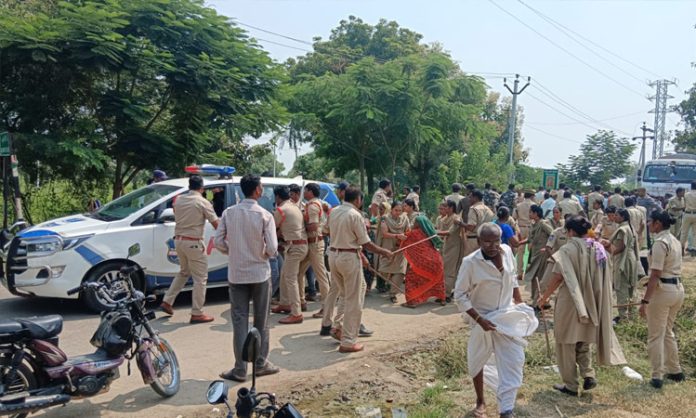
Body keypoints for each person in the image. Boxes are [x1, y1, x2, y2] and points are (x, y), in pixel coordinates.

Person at [538, 216, 626, 397]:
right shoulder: (598, 248)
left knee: (566, 342)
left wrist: (544, 298)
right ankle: (588, 373)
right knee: (583, 340)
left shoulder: (567, 249)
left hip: (570, 302)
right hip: (592, 300)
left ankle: (570, 384)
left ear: (570, 232)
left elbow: (558, 277)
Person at [454, 223, 533, 418]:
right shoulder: (470, 262)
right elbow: (460, 295)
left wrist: (520, 304)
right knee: (477, 360)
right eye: (487, 242)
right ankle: (480, 401)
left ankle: (506, 409)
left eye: (496, 241)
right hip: (483, 318)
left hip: (506, 317)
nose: (492, 245)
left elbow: (513, 279)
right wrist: (479, 319)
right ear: (479, 241)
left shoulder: (507, 252)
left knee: (514, 360)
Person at [215, 174, 279, 382]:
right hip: (260, 273)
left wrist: (233, 252)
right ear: (258, 190)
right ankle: (260, 363)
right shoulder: (264, 215)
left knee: (239, 321)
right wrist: (261, 254)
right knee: (262, 320)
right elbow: (272, 249)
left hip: (237, 273)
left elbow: (218, 242)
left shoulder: (229, 213)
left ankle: (240, 369)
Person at [325, 186, 392, 353]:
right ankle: (348, 341)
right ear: (358, 200)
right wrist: (384, 252)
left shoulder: (334, 211)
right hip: (348, 258)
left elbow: (326, 231)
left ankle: (338, 326)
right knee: (354, 300)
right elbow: (366, 243)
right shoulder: (355, 215)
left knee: (349, 293)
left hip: (334, 255)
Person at [160, 175, 219, 323]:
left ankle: (167, 300)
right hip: (194, 242)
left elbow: (177, 213)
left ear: (189, 186)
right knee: (200, 278)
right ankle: (197, 312)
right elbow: (216, 224)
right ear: (202, 188)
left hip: (179, 241)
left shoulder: (178, 199)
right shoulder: (202, 202)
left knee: (184, 272)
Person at [639, 210, 686, 389]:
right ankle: (675, 370)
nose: (649, 225)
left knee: (656, 335)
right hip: (677, 290)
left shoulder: (660, 243)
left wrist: (645, 301)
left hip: (663, 291)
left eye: (651, 222)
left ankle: (657, 375)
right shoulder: (674, 240)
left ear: (658, 223)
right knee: (667, 332)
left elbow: (656, 274)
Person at [270, 186, 308, 324]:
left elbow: (271, 228)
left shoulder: (281, 210)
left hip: (294, 247)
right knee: (285, 274)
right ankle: (285, 303)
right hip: (301, 245)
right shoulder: (295, 207)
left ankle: (296, 313)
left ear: (277, 197)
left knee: (290, 279)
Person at [298, 183, 331, 320]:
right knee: (299, 272)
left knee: (320, 275)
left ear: (310, 192)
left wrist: (300, 225)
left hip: (314, 243)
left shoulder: (312, 206)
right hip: (314, 243)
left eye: (305, 190)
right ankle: (301, 301)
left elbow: (313, 226)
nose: (303, 193)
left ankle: (326, 307)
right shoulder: (319, 203)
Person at [603, 208, 642, 321]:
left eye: (617, 215)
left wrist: (608, 248)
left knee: (621, 287)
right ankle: (632, 315)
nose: (614, 217)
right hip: (631, 259)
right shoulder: (630, 228)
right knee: (631, 287)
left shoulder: (622, 229)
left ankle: (623, 317)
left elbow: (620, 247)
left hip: (623, 260)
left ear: (623, 217)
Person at [401, 215, 446, 308]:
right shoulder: (430, 233)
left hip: (422, 262)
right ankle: (442, 299)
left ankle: (412, 301)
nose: (413, 224)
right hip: (436, 261)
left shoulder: (413, 233)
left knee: (410, 278)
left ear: (418, 224)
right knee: (438, 279)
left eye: (415, 222)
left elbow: (402, 242)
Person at [378, 201, 410, 304]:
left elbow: (408, 231)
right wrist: (397, 236)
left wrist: (404, 237)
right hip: (387, 248)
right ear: (391, 209)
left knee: (400, 271)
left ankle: (393, 294)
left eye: (400, 210)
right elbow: (384, 233)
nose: (398, 212)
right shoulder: (385, 218)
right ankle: (389, 283)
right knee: (383, 269)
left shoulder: (405, 218)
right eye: (396, 210)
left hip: (401, 248)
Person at [523, 205, 553, 307]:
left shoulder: (543, 224)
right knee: (534, 278)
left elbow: (553, 235)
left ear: (536, 214)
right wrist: (519, 243)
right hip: (535, 254)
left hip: (542, 255)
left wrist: (548, 247)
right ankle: (538, 299)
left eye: (531, 212)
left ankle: (539, 302)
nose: (529, 214)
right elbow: (530, 239)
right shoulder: (534, 224)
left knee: (540, 278)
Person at [437, 200, 465, 300]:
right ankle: (444, 291)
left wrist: (434, 232)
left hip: (454, 247)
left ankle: (447, 294)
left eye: (445, 207)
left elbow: (449, 232)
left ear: (451, 208)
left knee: (450, 270)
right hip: (445, 246)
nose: (443, 210)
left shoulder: (456, 218)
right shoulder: (443, 219)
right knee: (444, 269)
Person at [463, 190, 496, 256]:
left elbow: (471, 227)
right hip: (485, 240)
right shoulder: (488, 209)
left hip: (473, 240)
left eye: (470, 197)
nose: (469, 199)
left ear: (475, 198)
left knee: (471, 261)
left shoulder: (473, 209)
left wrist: (460, 223)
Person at [512, 191, 534, 280]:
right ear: (532, 196)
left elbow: (514, 218)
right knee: (532, 251)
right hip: (531, 228)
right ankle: (531, 272)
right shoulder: (534, 205)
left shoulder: (518, 205)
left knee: (520, 252)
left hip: (520, 228)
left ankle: (520, 273)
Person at [679, 181, 696, 255]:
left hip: (687, 214)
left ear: (691, 186)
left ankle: (682, 248)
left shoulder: (686, 194)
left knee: (684, 232)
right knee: (695, 233)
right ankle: (694, 248)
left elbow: (683, 205)